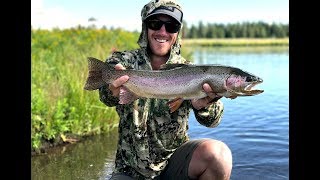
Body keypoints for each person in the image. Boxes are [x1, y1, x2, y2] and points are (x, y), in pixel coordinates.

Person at [99, 0, 232, 179]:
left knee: (219, 156)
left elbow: (213, 122)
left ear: (177, 32)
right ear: (145, 27)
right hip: (129, 170)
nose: (163, 32)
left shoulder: (190, 71)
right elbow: (105, 97)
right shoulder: (124, 61)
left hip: (174, 163)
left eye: (171, 26)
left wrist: (204, 106)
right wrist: (112, 91)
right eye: (155, 24)